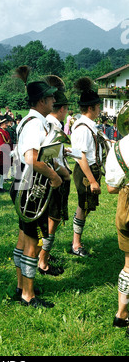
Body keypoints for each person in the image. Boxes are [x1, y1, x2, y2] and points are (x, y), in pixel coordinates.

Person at [13, 79, 62, 308]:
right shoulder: (35, 124)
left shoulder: (28, 120)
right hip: (31, 186)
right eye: (51, 97)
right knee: (32, 242)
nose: (54, 100)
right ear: (42, 101)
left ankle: (21, 286)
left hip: (23, 183)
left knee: (23, 238)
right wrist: (54, 176)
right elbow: (31, 158)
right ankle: (28, 296)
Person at [38, 76, 71, 276]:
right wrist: (64, 174)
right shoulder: (52, 125)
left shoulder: (49, 122)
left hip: (53, 176)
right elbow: (49, 158)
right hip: (55, 178)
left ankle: (45, 254)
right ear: (61, 108)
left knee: (51, 219)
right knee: (53, 219)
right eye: (66, 108)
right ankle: (43, 260)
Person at [71, 77, 103, 257]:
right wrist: (92, 181)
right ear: (90, 108)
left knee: (86, 207)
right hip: (86, 171)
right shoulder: (83, 127)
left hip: (90, 170)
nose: (100, 109)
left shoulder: (88, 125)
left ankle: (77, 241)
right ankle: (76, 244)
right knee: (83, 206)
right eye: (98, 106)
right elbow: (80, 156)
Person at [105, 130, 129, 339]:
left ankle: (121, 313)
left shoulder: (118, 147)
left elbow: (111, 188)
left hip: (125, 206)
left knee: (128, 263)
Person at [0, 115, 12, 192]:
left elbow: (10, 142)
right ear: (1, 124)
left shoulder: (6, 132)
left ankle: (1, 186)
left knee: (4, 170)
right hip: (1, 154)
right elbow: (1, 145)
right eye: (5, 123)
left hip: (7, 154)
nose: (7, 124)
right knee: (1, 171)